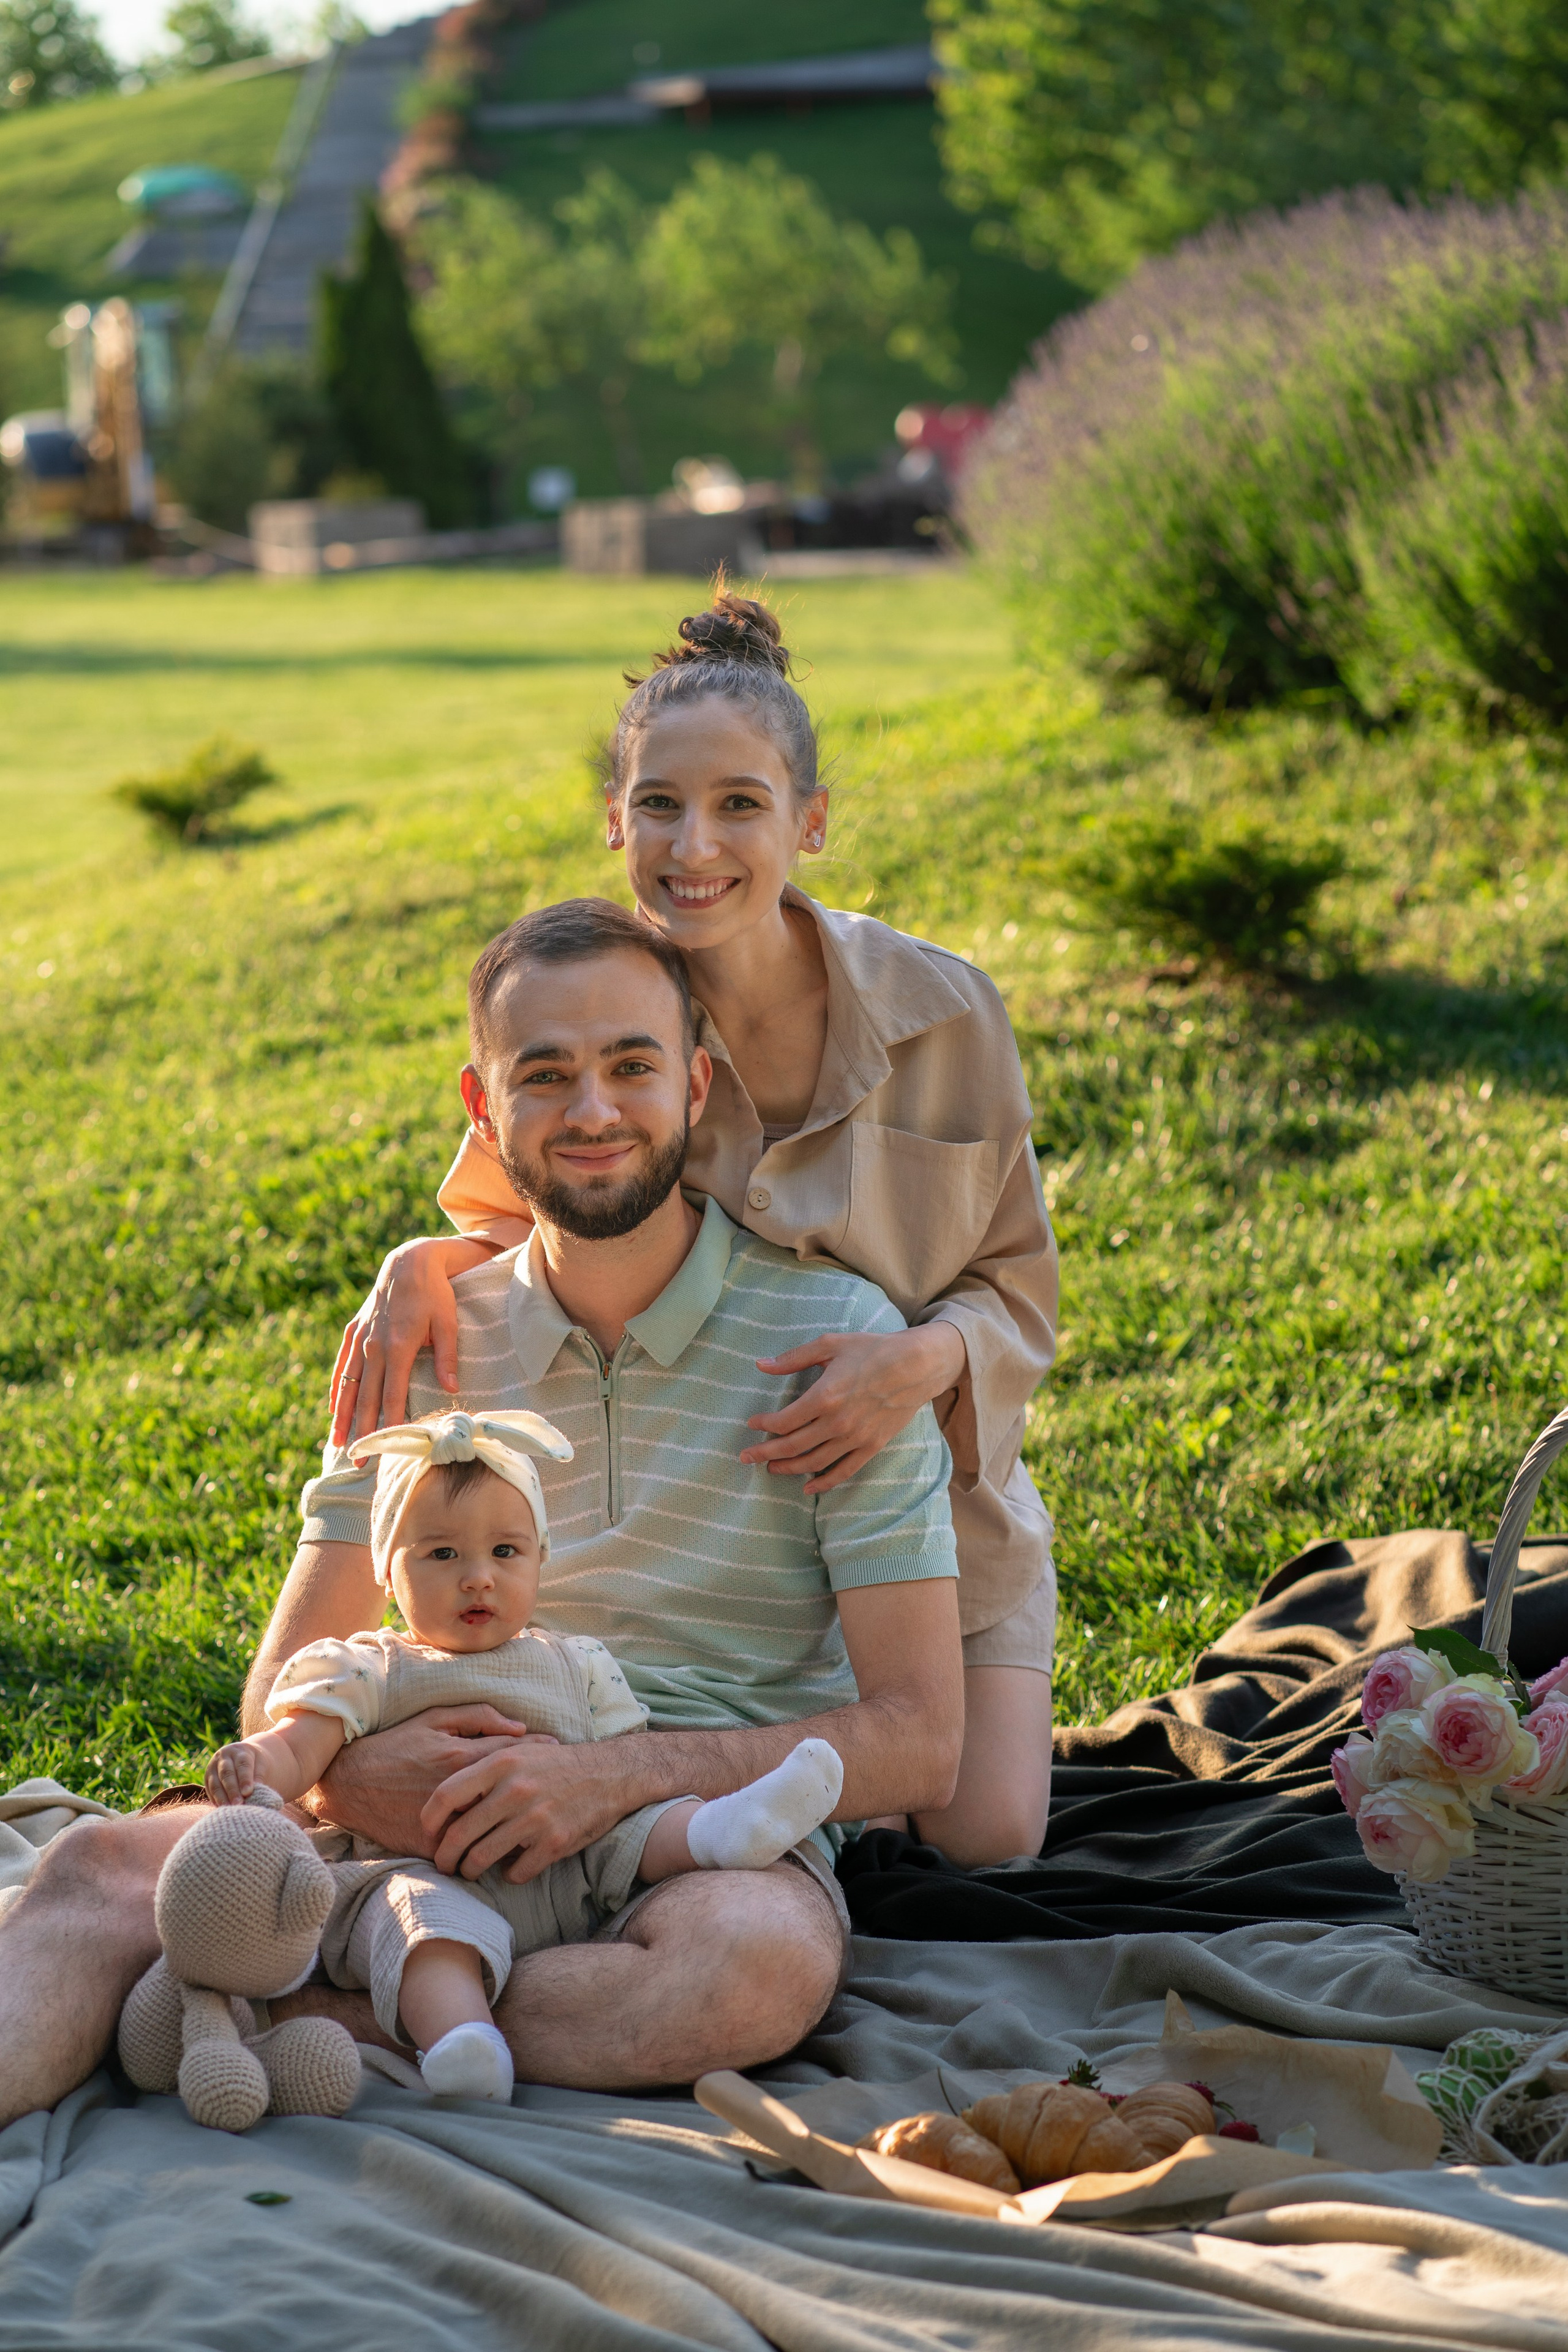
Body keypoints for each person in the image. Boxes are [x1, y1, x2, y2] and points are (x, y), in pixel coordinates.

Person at [0, 897, 961, 2128]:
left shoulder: (838, 1343)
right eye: (544, 1076)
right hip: (394, 1829)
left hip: (682, 1844)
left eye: (630, 1066)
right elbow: (282, 1683)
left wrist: (613, 1778)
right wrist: (355, 1784)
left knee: (749, 1970)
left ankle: (260, 2018)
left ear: (697, 1084)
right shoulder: (424, 1333)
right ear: (483, 1108)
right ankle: (247, 1997)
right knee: (94, 1873)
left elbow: (919, 1735)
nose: (594, 1111)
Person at [332, 587, 1058, 1864]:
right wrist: (414, 1262)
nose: (694, 846)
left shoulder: (946, 1014)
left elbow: (1018, 1286)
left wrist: (921, 1360)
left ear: (809, 824)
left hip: (929, 1492)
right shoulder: (615, 1020)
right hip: (727, 1531)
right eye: (659, 805)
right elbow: (524, 1234)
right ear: (615, 821)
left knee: (983, 1833)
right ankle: (772, 1776)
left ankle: (817, 1770)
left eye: (739, 805)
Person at [211, 1403, 846, 2104]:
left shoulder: (576, 1664)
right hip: (437, 1868)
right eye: (443, 1554)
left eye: (504, 1552)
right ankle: (463, 2042)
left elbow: (624, 1768)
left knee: (637, 1824)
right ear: (387, 1573)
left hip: (564, 1856)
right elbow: (303, 1748)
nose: (477, 1576)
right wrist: (258, 1763)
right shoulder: (369, 1668)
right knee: (422, 1924)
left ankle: (725, 1831)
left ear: (542, 1560)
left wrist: (626, 1807)